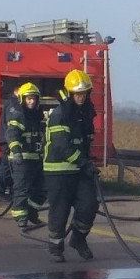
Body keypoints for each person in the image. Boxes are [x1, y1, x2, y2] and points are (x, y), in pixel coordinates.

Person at [42, 69, 99, 263]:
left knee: (90, 204)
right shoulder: (59, 115)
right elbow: (62, 147)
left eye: (84, 93)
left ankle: (78, 239)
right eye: (77, 93)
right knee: (60, 211)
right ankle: (55, 248)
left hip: (79, 171)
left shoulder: (85, 115)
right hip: (58, 172)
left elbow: (86, 142)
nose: (81, 97)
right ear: (69, 92)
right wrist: (84, 163)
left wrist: (88, 165)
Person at [4, 82, 46, 228]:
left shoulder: (38, 115)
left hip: (36, 159)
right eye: (28, 98)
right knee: (22, 189)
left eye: (34, 98)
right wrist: (16, 151)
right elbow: (12, 133)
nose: (32, 101)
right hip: (21, 159)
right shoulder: (19, 114)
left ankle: (32, 213)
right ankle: (21, 217)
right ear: (22, 99)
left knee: (42, 188)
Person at [0, 84, 19, 199]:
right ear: (17, 91)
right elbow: (11, 123)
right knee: (6, 166)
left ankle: (7, 191)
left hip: (7, 139)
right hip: (7, 140)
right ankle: (0, 192)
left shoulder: (12, 102)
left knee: (10, 166)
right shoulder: (13, 104)